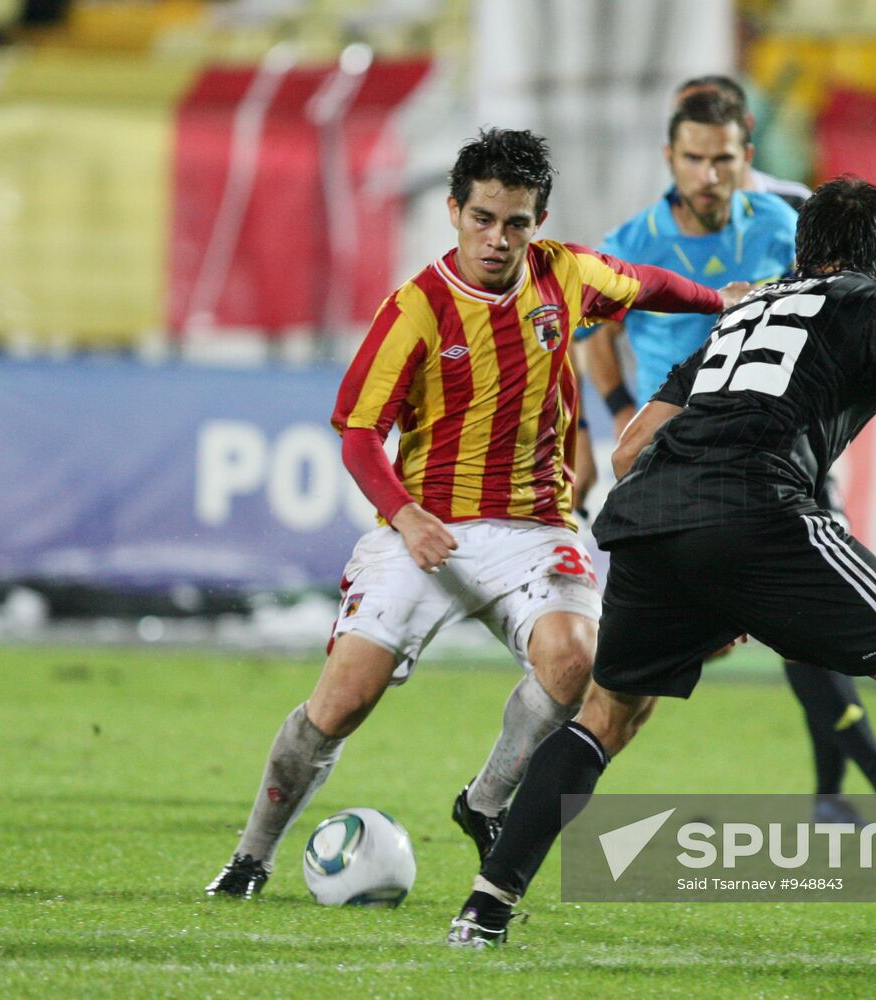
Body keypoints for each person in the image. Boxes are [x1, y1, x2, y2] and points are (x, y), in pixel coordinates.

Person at [446, 176, 876, 947]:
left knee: (606, 713)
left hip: (650, 518)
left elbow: (630, 448)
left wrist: (711, 586)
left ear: (799, 250)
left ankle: (484, 909)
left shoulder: (744, 314)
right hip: (758, 503)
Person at [205, 127, 752, 899]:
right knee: (340, 702)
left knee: (574, 663)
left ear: (537, 221)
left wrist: (718, 299)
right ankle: (250, 858)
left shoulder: (565, 274)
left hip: (533, 528)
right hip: (425, 527)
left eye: (517, 222)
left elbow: (645, 282)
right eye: (484, 219)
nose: (498, 239)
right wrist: (402, 514)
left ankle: (484, 799)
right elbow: (359, 435)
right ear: (454, 212)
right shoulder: (416, 310)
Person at [576, 82, 876, 826]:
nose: (708, 175)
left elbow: (827, 302)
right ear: (671, 157)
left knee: (810, 628)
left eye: (722, 160)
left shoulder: (780, 223)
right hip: (670, 455)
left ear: (744, 158)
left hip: (774, 448)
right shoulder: (634, 241)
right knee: (634, 679)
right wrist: (625, 419)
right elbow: (596, 336)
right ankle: (856, 792)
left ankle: (854, 791)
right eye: (694, 159)